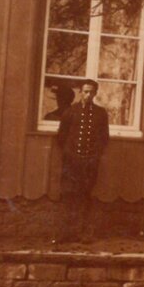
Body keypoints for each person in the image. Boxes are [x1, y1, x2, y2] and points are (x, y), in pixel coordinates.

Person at [54, 79, 109, 244]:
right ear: (80, 92)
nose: (88, 95)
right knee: (69, 196)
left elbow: (104, 138)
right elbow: (61, 137)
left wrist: (94, 156)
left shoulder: (100, 113)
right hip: (72, 163)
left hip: (89, 163)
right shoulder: (70, 112)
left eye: (91, 92)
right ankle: (66, 233)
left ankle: (84, 234)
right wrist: (70, 154)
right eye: (85, 91)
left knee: (86, 196)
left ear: (95, 93)